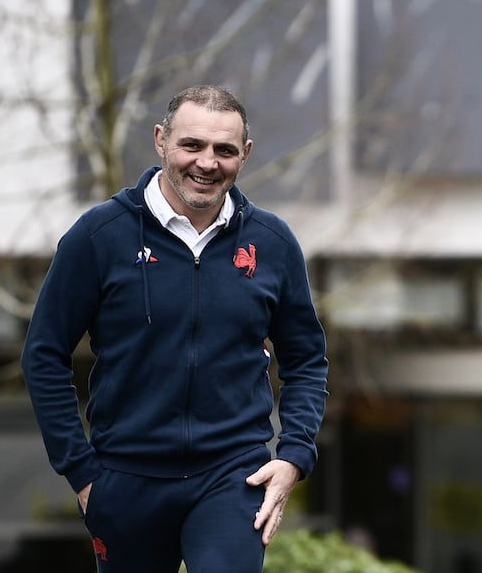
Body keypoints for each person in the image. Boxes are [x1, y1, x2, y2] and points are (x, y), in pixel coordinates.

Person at [21, 85, 329, 573]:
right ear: (161, 140)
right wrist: (81, 472)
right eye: (192, 145)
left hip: (233, 476)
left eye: (224, 150)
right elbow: (43, 354)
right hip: (125, 478)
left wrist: (293, 456)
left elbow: (307, 360)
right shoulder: (99, 236)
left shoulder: (272, 242)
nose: (207, 163)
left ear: (245, 154)